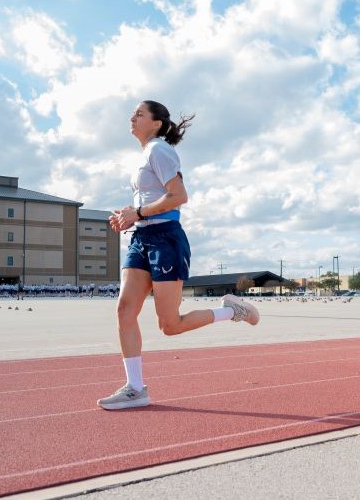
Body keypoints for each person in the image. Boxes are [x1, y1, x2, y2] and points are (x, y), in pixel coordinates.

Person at [97, 100, 261, 410]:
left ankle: (233, 311)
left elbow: (179, 197)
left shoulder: (160, 150)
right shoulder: (143, 156)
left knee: (169, 325)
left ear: (156, 123)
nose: (131, 118)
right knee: (125, 310)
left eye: (139, 114)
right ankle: (135, 388)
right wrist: (128, 216)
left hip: (166, 240)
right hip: (141, 238)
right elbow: (148, 202)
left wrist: (139, 212)